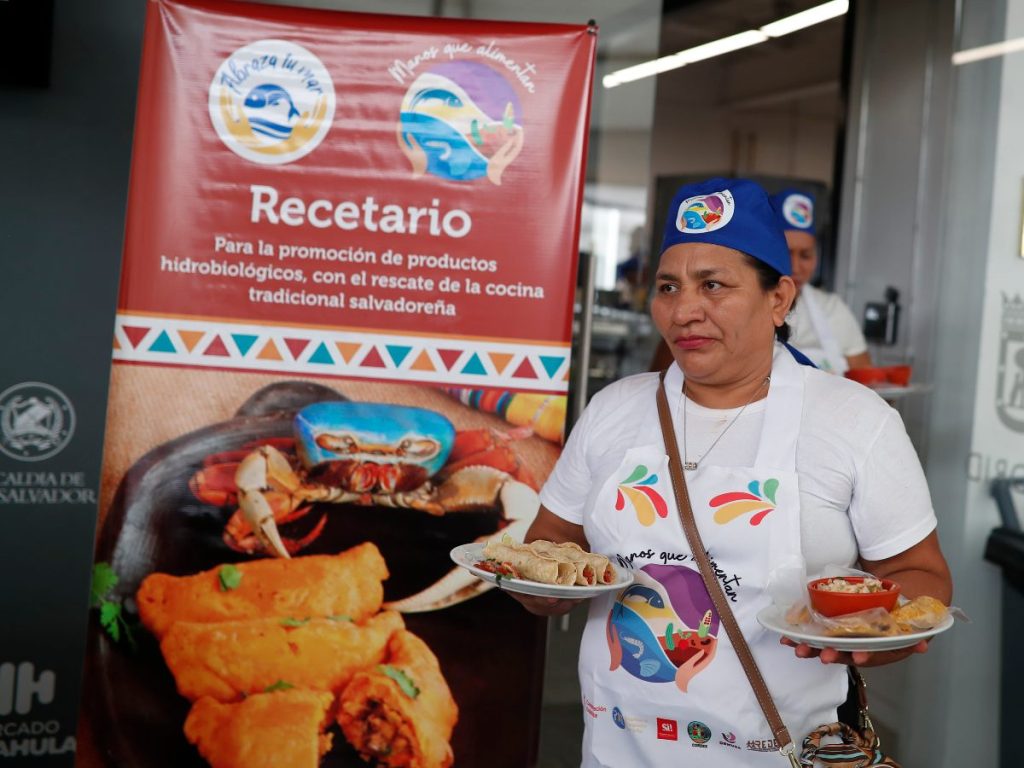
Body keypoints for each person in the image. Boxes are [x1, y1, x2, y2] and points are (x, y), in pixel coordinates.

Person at [512, 178, 951, 767]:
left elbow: (919, 574)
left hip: (783, 749)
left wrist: (871, 638)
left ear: (779, 299)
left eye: (713, 285)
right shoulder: (616, 408)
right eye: (668, 287)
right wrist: (541, 590)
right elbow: (550, 542)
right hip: (617, 750)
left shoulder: (852, 420)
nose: (684, 310)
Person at [771, 188, 871, 374]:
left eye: (806, 255)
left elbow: (864, 376)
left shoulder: (831, 308)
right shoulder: (752, 307)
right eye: (786, 253)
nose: (796, 267)